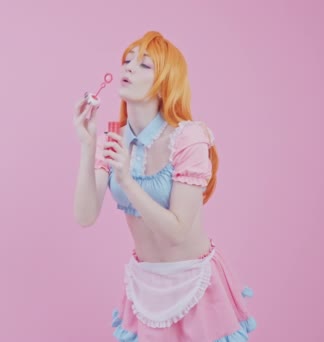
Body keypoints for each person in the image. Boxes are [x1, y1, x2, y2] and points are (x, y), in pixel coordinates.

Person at [72, 31, 256, 341]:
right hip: (145, 286)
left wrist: (128, 182)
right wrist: (88, 145)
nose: (128, 68)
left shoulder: (188, 138)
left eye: (144, 65)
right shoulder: (113, 140)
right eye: (127, 60)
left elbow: (177, 231)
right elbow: (85, 216)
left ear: (165, 82)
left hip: (194, 284)